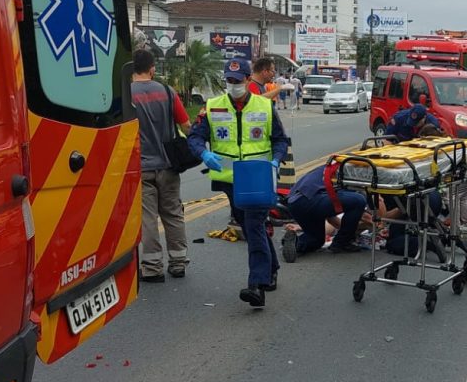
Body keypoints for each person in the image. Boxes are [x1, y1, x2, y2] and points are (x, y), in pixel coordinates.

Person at [187, 59, 289, 307]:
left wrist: (275, 160)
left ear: (247, 79)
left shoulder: (264, 106)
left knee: (253, 226)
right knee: (249, 225)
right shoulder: (212, 107)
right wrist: (203, 153)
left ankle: (257, 284)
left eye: (238, 80)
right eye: (229, 81)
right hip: (230, 181)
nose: (233, 85)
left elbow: (280, 140)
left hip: (258, 178)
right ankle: (271, 267)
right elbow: (194, 137)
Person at [130, 49, 191, 282]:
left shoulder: (126, 95)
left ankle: (152, 267)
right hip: (168, 165)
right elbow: (185, 126)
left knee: (147, 218)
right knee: (173, 213)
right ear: (152, 68)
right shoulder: (167, 91)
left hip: (141, 167)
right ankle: (178, 262)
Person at [282, 165, 368, 258]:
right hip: (312, 199)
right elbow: (364, 214)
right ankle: (341, 243)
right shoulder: (351, 171)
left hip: (295, 203)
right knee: (359, 200)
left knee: (316, 240)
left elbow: (330, 216)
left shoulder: (329, 166)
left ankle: (295, 243)